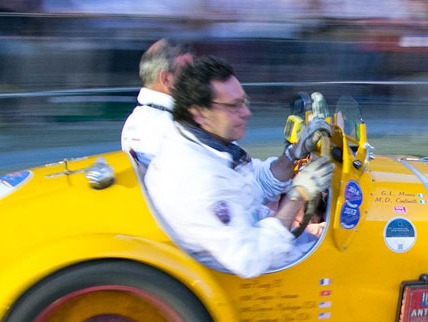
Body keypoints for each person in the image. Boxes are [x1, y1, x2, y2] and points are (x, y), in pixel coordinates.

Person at [143, 55, 334, 278]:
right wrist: (298, 196)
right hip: (256, 269)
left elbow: (252, 186)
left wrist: (294, 153)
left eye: (243, 102)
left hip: (263, 239)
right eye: (234, 106)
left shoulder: (208, 145)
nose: (246, 113)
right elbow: (248, 259)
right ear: (199, 113)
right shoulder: (196, 177)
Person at [121, 38, 193, 172]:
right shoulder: (179, 129)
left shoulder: (133, 122)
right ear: (166, 79)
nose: (196, 78)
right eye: (189, 71)